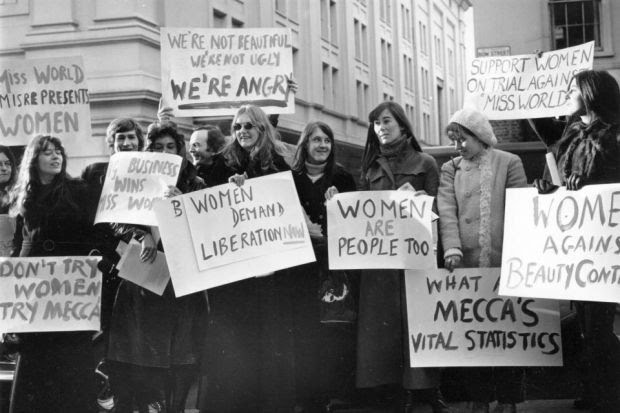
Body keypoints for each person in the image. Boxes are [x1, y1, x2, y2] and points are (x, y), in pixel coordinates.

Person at [529, 69, 620, 413]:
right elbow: (555, 179)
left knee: (597, 328)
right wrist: (545, 187)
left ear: (590, 94)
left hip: (604, 249)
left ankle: (608, 394)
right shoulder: (568, 136)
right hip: (575, 250)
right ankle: (597, 391)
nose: (568, 95)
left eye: (573, 90)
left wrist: (590, 185)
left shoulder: (615, 137)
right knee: (586, 326)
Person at [106, 122, 207, 413]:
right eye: (158, 147)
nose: (164, 152)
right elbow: (116, 220)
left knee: (176, 358)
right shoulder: (135, 179)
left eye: (170, 147)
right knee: (141, 360)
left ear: (180, 151)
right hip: (143, 280)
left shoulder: (195, 184)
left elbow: (204, 229)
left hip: (178, 283)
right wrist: (141, 235)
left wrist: (180, 206)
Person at [198, 104, 293, 413]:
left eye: (249, 126)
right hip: (232, 277)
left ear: (262, 130)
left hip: (268, 273)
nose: (242, 132)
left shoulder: (279, 165)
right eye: (237, 127)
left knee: (267, 344)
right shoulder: (219, 166)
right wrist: (227, 192)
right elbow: (205, 208)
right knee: (234, 347)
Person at [356, 101, 447, 412]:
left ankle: (427, 391)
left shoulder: (426, 163)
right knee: (386, 330)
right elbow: (359, 216)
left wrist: (422, 202)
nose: (380, 127)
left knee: (421, 325)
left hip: (415, 262)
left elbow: (439, 212)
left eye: (386, 121)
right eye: (376, 123)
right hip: (381, 265)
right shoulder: (371, 167)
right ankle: (398, 393)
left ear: (403, 126)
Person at [437, 108, 527, 413]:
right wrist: (451, 248)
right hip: (465, 264)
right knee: (472, 334)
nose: (458, 146)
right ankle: (478, 398)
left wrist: (517, 252)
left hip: (503, 261)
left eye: (463, 139)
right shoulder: (450, 169)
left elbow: (520, 208)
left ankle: (508, 399)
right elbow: (446, 210)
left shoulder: (509, 162)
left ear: (479, 136)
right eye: (454, 140)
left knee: (506, 332)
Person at [9, 135, 98, 413]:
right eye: (47, 153)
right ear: (34, 160)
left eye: (59, 151)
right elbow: (18, 246)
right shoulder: (25, 196)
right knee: (35, 367)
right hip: (34, 295)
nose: (56, 156)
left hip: (69, 293)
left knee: (70, 368)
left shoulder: (79, 189)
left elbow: (93, 236)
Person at [289, 121, 357, 410]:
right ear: (305, 144)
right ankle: (307, 399)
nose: (322, 145)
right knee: (303, 333)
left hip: (331, 268)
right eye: (316, 140)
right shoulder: (289, 179)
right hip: (299, 270)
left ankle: (331, 396)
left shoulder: (342, 178)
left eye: (326, 140)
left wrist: (336, 209)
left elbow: (354, 225)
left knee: (332, 334)